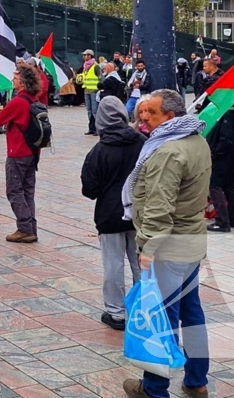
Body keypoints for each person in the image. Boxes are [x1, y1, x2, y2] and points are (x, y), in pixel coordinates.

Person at [122, 89, 210, 398]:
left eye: (152, 113)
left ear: (170, 117)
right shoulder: (196, 139)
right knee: (191, 311)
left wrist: (148, 246)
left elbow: (160, 205)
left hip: (169, 246)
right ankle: (197, 380)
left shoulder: (168, 151)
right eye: (143, 111)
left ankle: (155, 388)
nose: (144, 116)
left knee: (161, 317)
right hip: (191, 240)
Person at [81, 97, 144, 331]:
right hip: (138, 213)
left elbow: (90, 189)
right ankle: (143, 308)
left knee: (113, 265)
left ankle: (116, 313)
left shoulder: (98, 151)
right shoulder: (142, 143)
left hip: (109, 215)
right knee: (140, 263)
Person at [0, 64, 44, 244]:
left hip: (17, 152)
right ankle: (31, 228)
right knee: (27, 191)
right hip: (32, 152)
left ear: (22, 81)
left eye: (15, 76)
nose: (12, 79)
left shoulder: (18, 101)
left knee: (14, 190)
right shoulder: (33, 99)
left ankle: (24, 228)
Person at [206, 103, 234, 233]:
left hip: (223, 158)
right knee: (230, 185)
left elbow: (225, 141)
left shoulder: (226, 117)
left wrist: (214, 153)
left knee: (215, 186)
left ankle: (222, 221)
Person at [79, 50, 101, 135]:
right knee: (89, 110)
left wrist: (99, 89)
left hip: (94, 91)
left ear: (90, 56)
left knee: (95, 111)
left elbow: (100, 78)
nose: (84, 56)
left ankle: (97, 129)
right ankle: (91, 128)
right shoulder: (85, 66)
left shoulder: (96, 66)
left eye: (85, 55)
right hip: (87, 90)